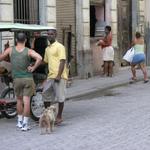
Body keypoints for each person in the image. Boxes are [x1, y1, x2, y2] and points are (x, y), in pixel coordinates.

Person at [0, 32, 42, 131]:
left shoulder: (10, 50)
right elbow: (39, 58)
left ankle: (19, 122)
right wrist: (33, 67)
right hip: (27, 78)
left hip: (16, 79)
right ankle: (25, 125)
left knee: (19, 100)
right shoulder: (28, 51)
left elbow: (1, 58)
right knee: (26, 101)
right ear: (26, 40)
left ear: (16, 40)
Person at [42, 29, 68, 125]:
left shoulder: (60, 47)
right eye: (48, 34)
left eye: (51, 34)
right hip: (50, 76)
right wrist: (34, 63)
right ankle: (48, 115)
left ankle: (59, 116)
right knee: (45, 95)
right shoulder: (47, 49)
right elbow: (45, 61)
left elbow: (62, 61)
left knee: (60, 97)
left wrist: (59, 75)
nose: (49, 36)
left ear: (55, 35)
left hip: (59, 76)